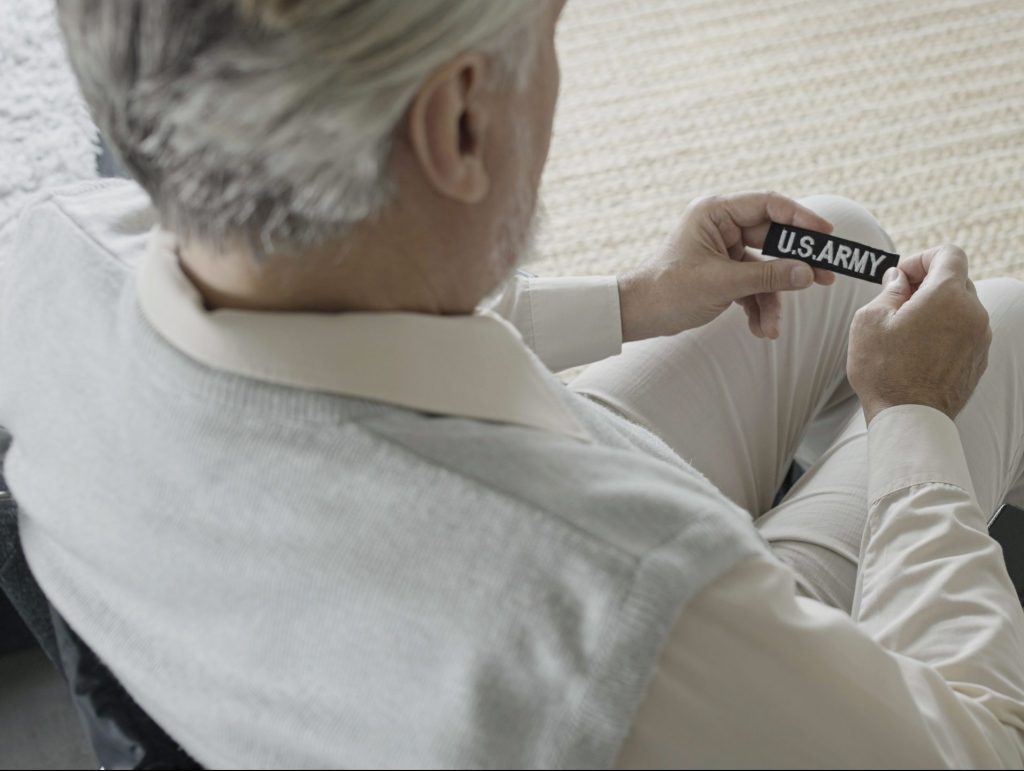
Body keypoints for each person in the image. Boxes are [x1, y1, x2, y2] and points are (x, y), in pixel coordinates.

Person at [2, 0, 1022, 766]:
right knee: (999, 329)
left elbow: (319, 304)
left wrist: (637, 299)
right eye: (547, 38)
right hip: (630, 667)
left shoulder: (50, 248)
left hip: (379, 608)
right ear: (457, 125)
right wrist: (916, 414)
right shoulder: (618, 615)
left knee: (838, 245)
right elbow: (976, 747)